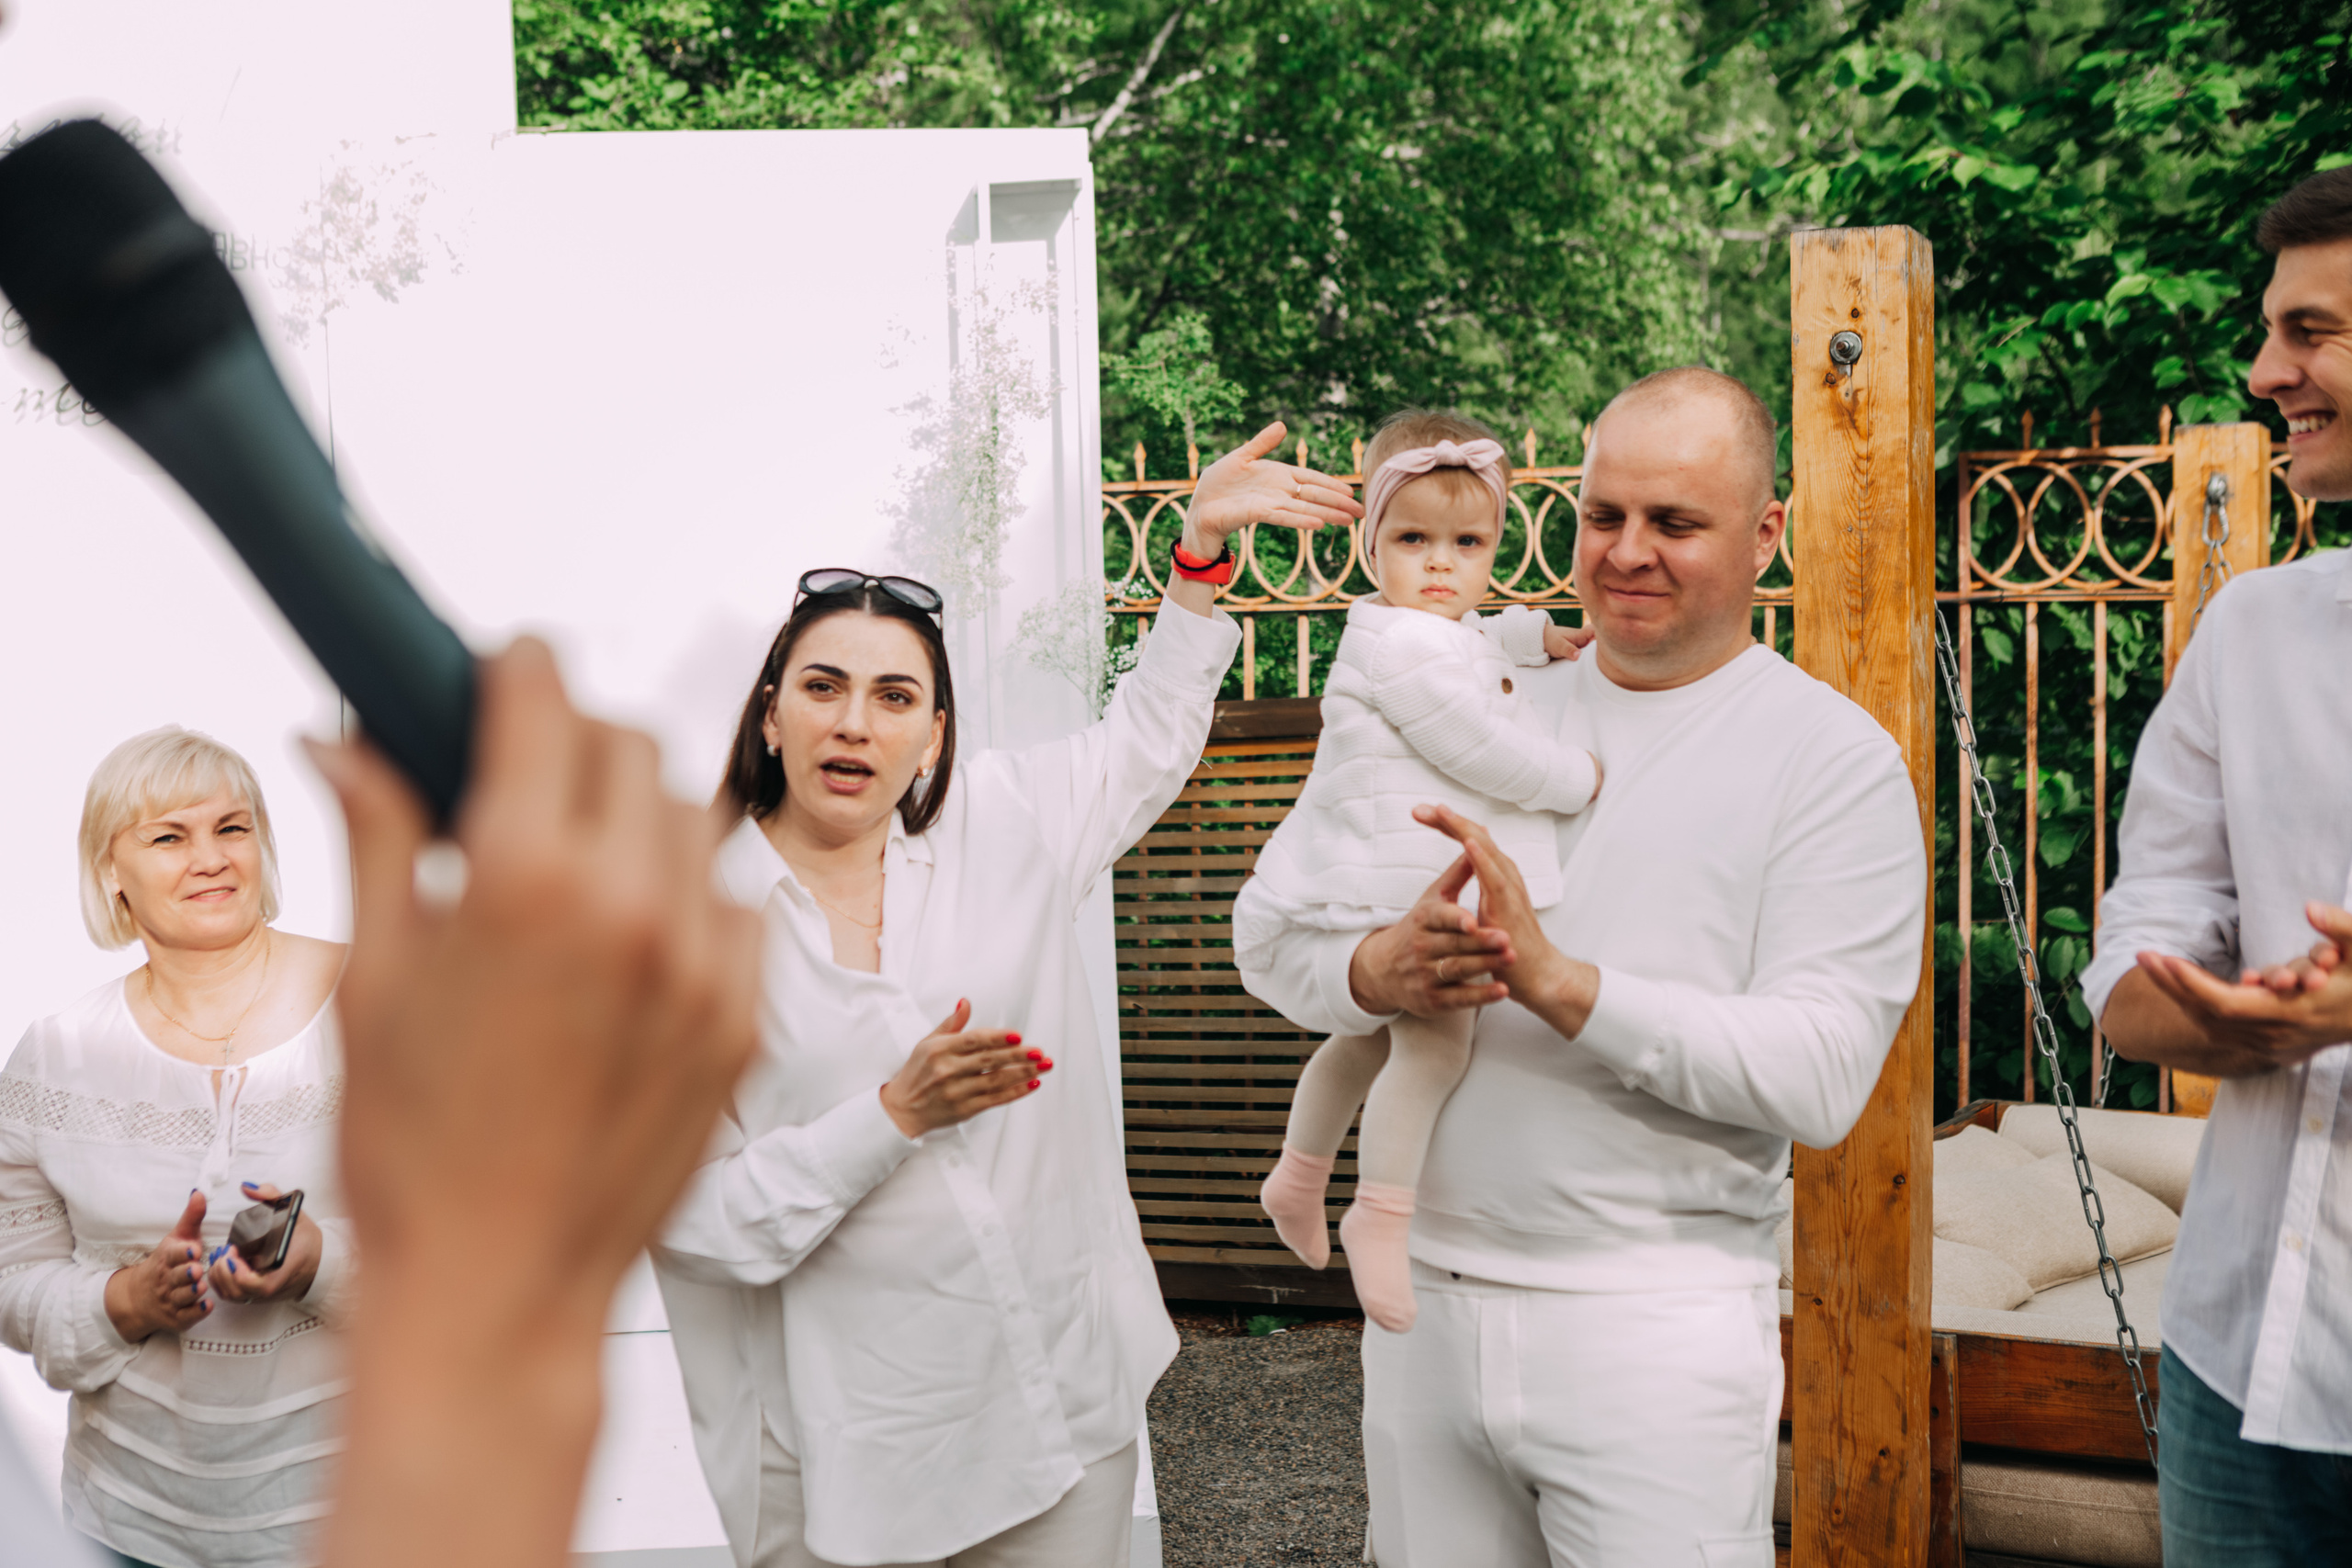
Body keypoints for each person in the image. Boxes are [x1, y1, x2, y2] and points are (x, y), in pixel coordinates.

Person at [1235, 367, 1927, 1566]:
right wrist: (1375, 969)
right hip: (1424, 1316)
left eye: (1675, 521)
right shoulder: (1475, 693)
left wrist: (1564, 985)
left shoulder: (1831, 759)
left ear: (1766, 533)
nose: (1626, 551)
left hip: (1654, 1329)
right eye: (1604, 514)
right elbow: (1271, 938)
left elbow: (1818, 1077)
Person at [649, 421, 1360, 1568]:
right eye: (824, 688)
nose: (853, 722)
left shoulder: (1008, 823)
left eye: (893, 697)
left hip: (1064, 1405)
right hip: (857, 1457)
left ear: (932, 738)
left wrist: (1199, 561)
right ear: (771, 713)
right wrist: (890, 1119)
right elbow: (693, 1215)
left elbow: (1145, 739)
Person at [2084, 165, 2352, 1563]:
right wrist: (2224, 1017)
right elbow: (2133, 967)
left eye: (2310, 331)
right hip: (2236, 1367)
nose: (2265, 372)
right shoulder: (2249, 635)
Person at [1248, 408, 1598, 1332]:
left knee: (1365, 1039)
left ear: (1492, 548)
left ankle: (1296, 1177)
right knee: (1437, 1042)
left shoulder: (1434, 632)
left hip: (1385, 873)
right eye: (1412, 539)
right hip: (1386, 875)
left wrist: (1533, 637)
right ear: (1370, 547)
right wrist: (1575, 778)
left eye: (1466, 541)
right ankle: (1380, 1216)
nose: (1441, 565)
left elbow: (1480, 648)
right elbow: (1476, 740)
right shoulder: (1396, 644)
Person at [0, 728, 353, 1568]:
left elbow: (487, 1254)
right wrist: (128, 1299)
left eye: (232, 827)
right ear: (110, 873)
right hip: (128, 1526)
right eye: (168, 836)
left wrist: (318, 1264)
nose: (211, 858)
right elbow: (10, 1276)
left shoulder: (380, 1012)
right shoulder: (56, 1056)